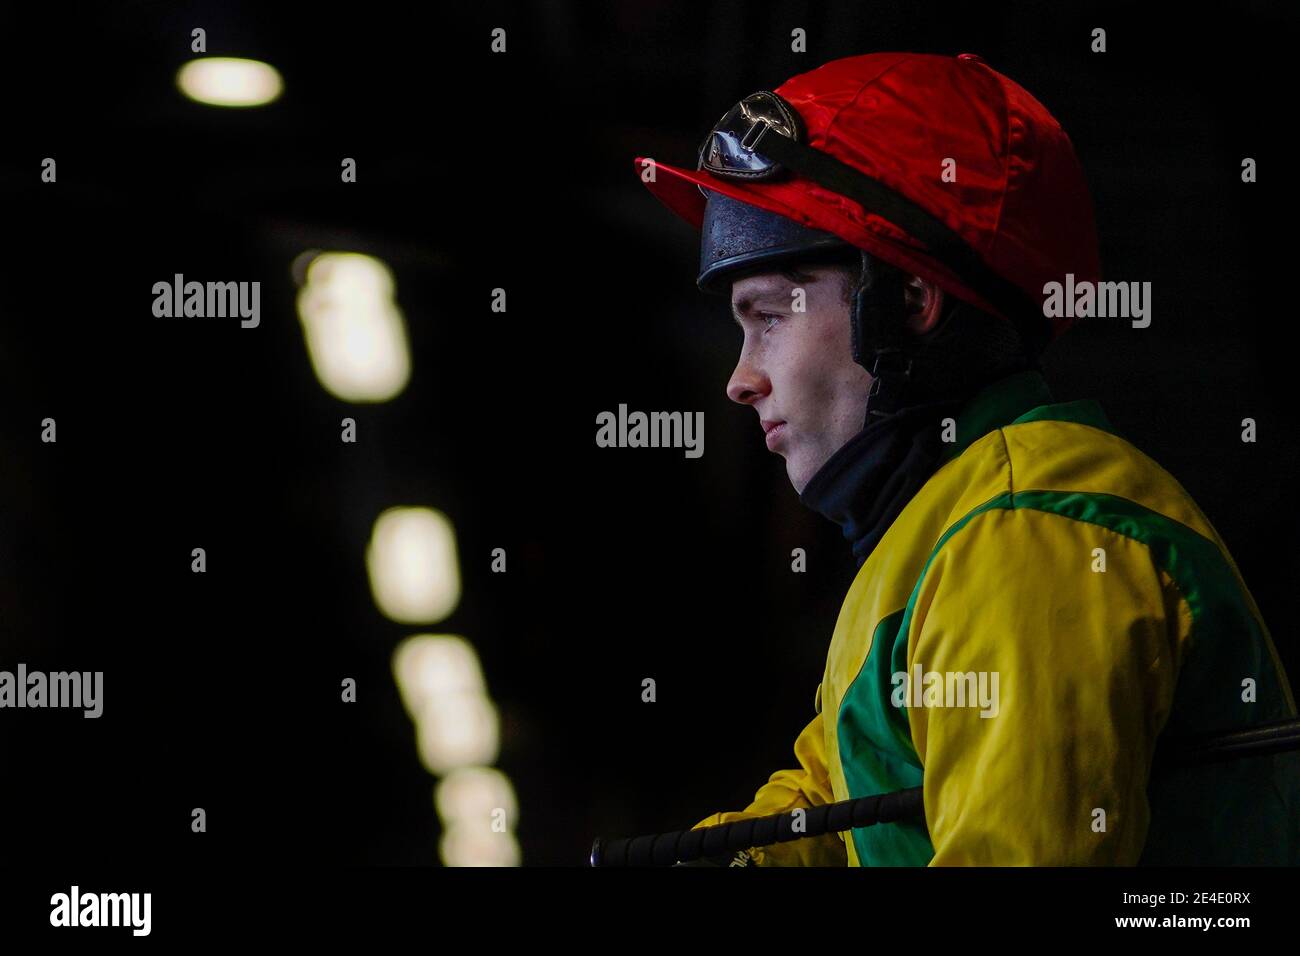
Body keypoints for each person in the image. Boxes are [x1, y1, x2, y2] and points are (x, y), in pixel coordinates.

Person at [633, 51, 1298, 865]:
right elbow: (831, 808)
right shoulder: (939, 538)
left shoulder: (1027, 533)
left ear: (908, 302)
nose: (740, 380)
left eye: (768, 315)